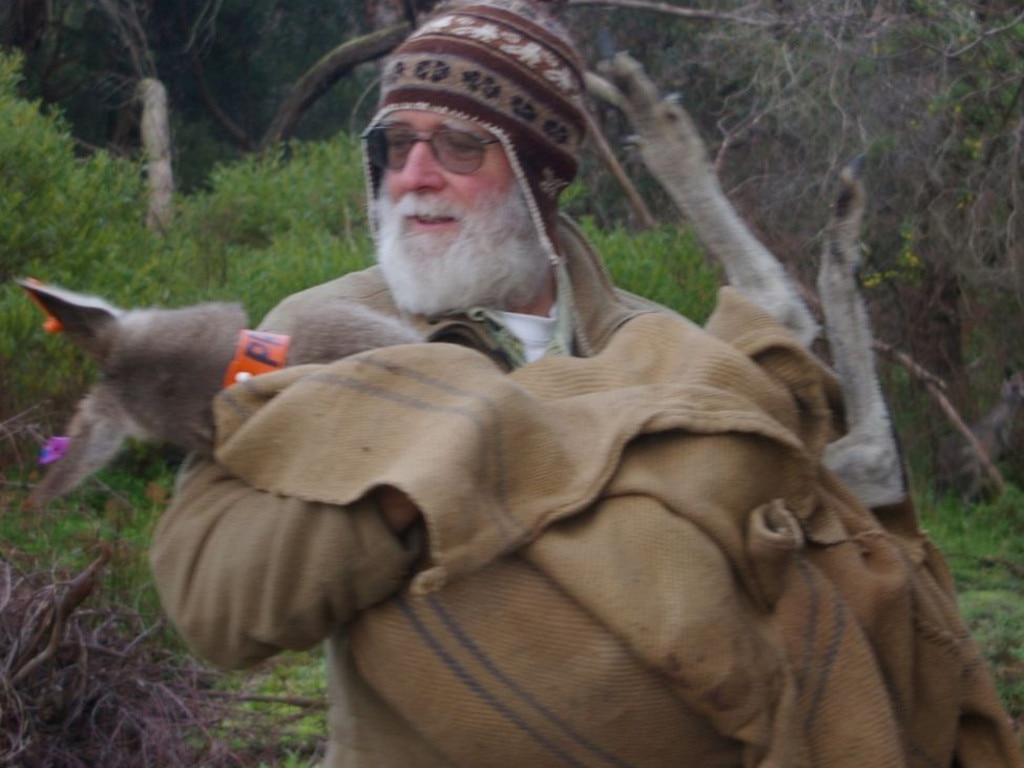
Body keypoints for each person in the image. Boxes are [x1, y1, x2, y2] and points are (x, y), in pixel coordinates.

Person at [149, 2, 1023, 766]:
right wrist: (425, 484)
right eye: (395, 144)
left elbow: (788, 567)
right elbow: (209, 593)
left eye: (458, 143)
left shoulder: (659, 345)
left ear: (540, 176)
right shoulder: (307, 334)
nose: (413, 176)